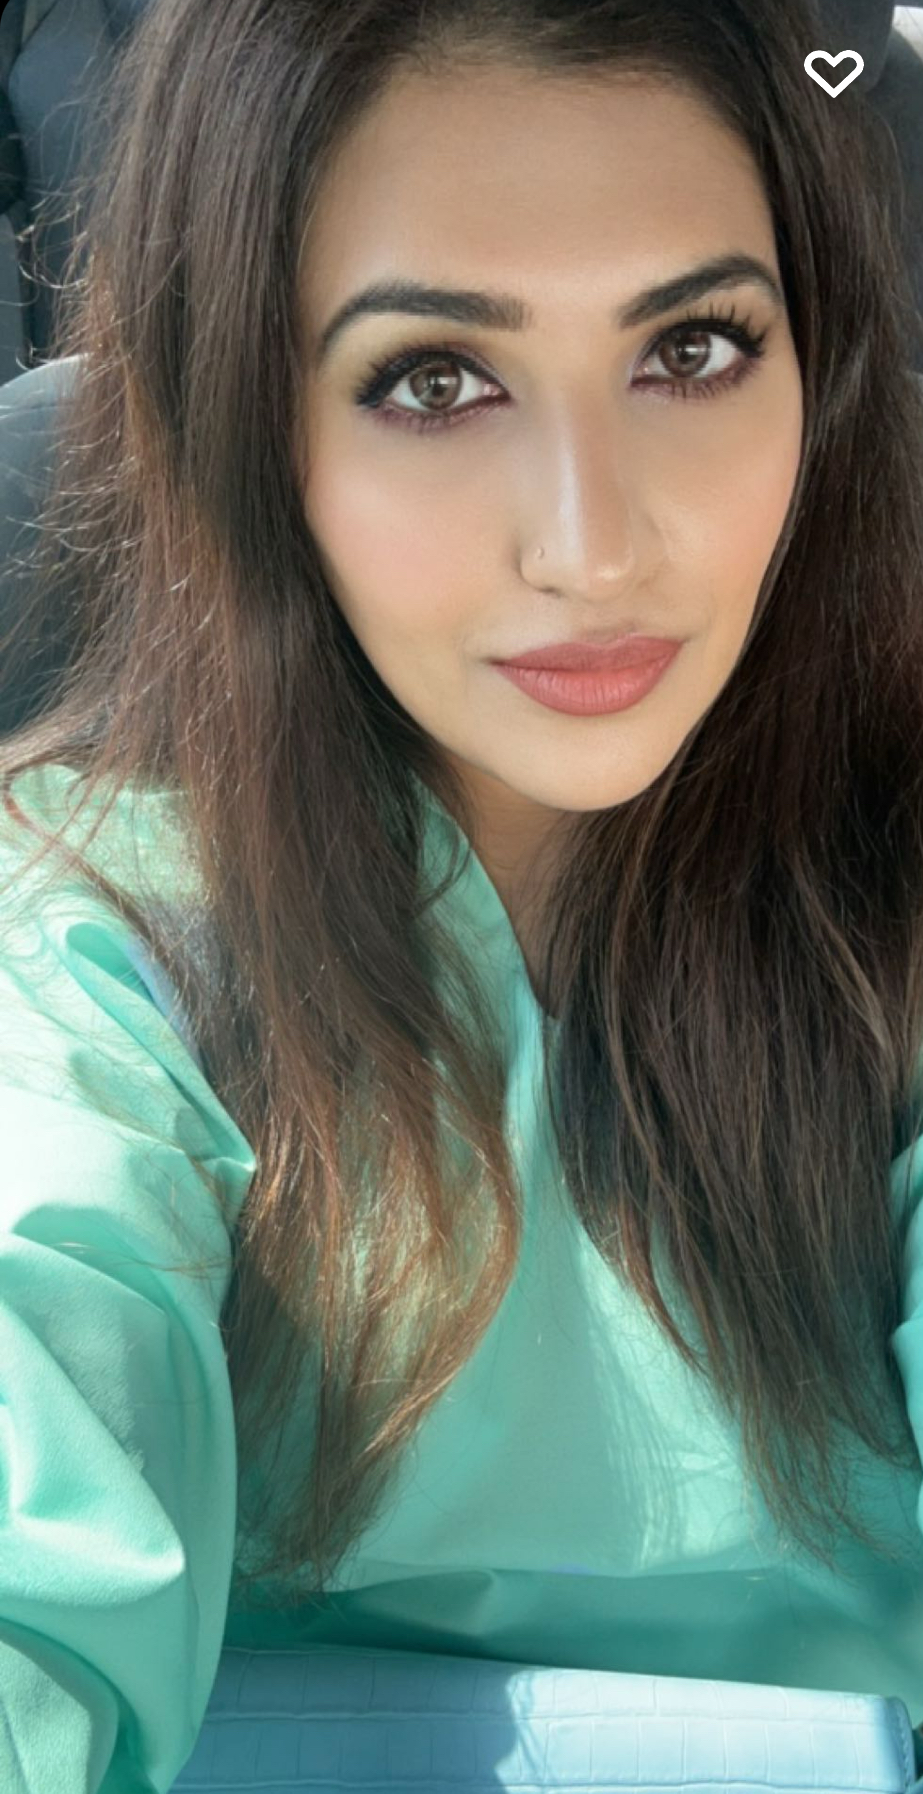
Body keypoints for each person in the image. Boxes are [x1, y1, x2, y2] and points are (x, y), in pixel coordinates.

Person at [0, 0, 922, 1788]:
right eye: (435, 379)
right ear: (255, 422)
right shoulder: (90, 951)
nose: (592, 544)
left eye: (694, 349)